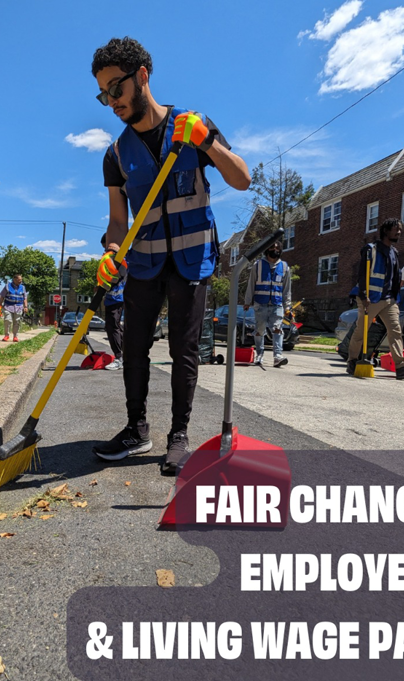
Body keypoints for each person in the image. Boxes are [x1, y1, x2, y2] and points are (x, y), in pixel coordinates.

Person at [90, 37, 250, 473]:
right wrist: (110, 251)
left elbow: (242, 179)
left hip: (191, 260)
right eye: (103, 94)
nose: (111, 101)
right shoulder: (116, 154)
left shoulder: (192, 126)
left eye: (116, 88)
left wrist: (208, 143)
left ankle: (179, 435)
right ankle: (136, 429)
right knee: (134, 348)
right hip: (144, 263)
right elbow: (118, 222)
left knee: (184, 349)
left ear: (142, 75)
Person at [347, 218, 404, 379]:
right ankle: (352, 360)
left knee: (396, 331)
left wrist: (396, 297)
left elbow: (395, 278)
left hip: (389, 300)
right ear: (386, 231)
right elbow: (362, 275)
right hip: (371, 299)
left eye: (400, 229)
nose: (399, 232)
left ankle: (401, 366)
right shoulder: (371, 250)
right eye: (396, 229)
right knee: (361, 331)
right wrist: (364, 295)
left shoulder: (394, 252)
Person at [243, 240, 292, 367]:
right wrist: (247, 301)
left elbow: (286, 289)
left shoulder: (285, 267)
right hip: (260, 303)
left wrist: (287, 306)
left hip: (277, 304)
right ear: (267, 250)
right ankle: (259, 355)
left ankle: (278, 356)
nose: (274, 251)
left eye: (277, 249)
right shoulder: (258, 265)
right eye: (272, 248)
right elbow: (251, 284)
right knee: (259, 330)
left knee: (277, 329)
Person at [100, 233, 125, 370]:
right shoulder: (118, 257)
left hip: (116, 298)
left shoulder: (116, 258)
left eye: (105, 246)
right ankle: (123, 356)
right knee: (116, 327)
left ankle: (119, 358)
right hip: (115, 298)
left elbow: (115, 277)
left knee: (112, 327)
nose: (104, 250)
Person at [0, 274, 28, 342]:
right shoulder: (7, 286)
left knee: (17, 322)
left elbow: (25, 298)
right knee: (7, 320)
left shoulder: (23, 287)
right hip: (8, 306)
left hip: (19, 307)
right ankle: (6, 335)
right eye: (19, 280)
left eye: (21, 280)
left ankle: (15, 336)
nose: (21, 281)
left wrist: (25, 306)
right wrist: (0, 305)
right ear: (14, 279)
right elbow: (2, 296)